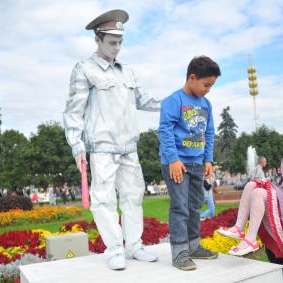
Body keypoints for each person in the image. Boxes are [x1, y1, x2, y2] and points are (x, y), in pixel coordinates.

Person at [63, 9, 160, 270]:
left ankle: (134, 246)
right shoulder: (84, 69)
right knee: (104, 200)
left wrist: (175, 103)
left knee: (133, 197)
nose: (117, 48)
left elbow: (145, 100)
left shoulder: (127, 71)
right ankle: (115, 248)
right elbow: (73, 111)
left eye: (120, 43)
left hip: (129, 147)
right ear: (98, 39)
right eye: (112, 42)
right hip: (102, 148)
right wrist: (76, 145)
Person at [159, 55, 221, 271]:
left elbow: (210, 132)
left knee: (195, 205)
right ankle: (180, 252)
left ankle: (194, 246)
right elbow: (165, 131)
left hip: (197, 162)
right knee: (180, 207)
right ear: (192, 78)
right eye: (206, 85)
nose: (208, 90)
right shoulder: (173, 101)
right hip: (177, 164)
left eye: (211, 85)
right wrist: (173, 160)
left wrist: (208, 159)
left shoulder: (206, 104)